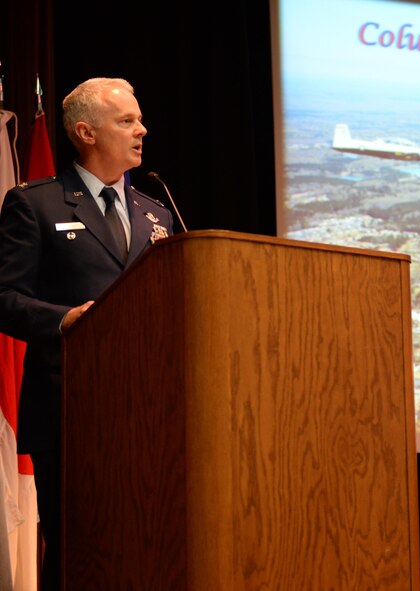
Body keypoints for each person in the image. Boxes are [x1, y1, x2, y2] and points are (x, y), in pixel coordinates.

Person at [0, 77, 173, 589]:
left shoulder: (157, 212)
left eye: (139, 119)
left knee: (147, 547)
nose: (142, 130)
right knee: (80, 551)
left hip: (152, 414)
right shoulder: (37, 204)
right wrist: (65, 319)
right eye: (126, 121)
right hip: (70, 410)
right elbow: (4, 298)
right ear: (86, 132)